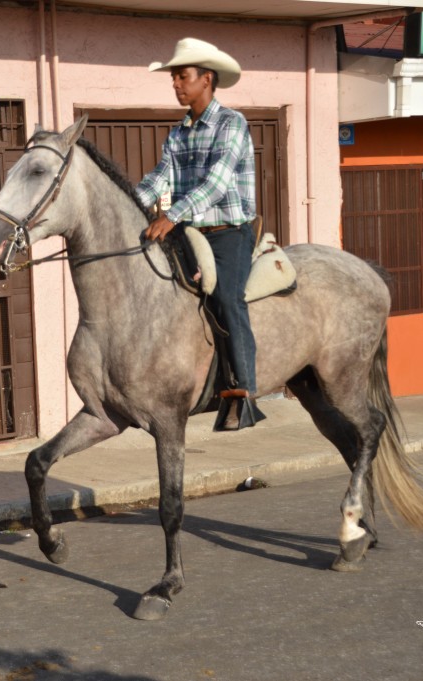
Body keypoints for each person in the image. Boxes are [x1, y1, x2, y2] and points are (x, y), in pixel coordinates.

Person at [135, 37, 260, 429]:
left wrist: (171, 216)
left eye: (182, 76)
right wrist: (128, 204)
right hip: (190, 230)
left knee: (226, 297)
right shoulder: (177, 133)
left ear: (206, 79)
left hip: (229, 231)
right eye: (174, 78)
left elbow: (216, 183)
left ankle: (243, 392)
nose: (176, 84)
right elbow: (161, 177)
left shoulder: (232, 124)